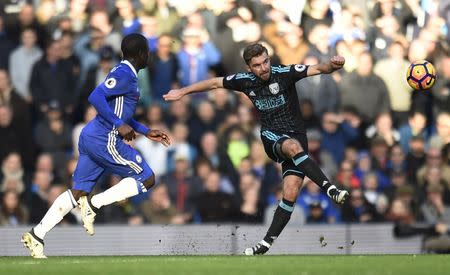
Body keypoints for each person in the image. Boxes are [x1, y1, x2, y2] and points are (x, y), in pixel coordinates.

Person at [163, 43, 349, 255]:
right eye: (257, 65)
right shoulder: (245, 81)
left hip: (297, 138)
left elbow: (318, 68)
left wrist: (334, 65)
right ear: (249, 67)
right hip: (272, 136)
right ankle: (330, 189)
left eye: (265, 62)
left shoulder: (284, 73)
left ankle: (265, 244)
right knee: (292, 146)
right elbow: (215, 83)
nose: (264, 68)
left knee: (290, 191)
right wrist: (183, 91)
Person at [21, 33, 172, 259]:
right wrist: (119, 125)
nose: (149, 56)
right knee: (147, 178)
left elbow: (119, 111)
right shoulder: (124, 74)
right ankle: (94, 204)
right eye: (147, 52)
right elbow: (96, 96)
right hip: (105, 138)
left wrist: (145, 130)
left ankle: (37, 234)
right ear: (141, 54)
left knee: (78, 190)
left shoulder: (125, 73)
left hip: (92, 136)